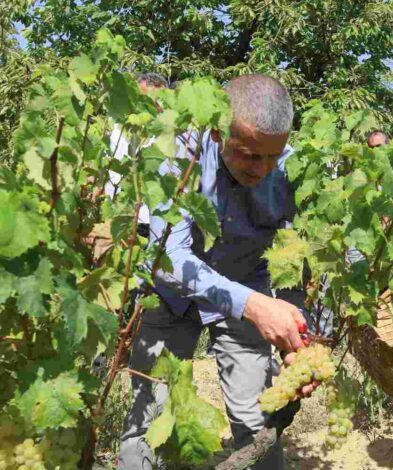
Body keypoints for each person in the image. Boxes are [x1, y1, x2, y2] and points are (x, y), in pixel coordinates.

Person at [118, 74, 313, 470]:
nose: (262, 168)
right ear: (217, 131)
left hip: (246, 289)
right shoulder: (173, 153)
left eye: (272, 156)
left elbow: (296, 257)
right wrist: (254, 306)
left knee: (257, 419)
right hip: (170, 297)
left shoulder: (291, 168)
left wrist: (296, 328)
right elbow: (169, 254)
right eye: (248, 155)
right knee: (147, 423)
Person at [104, 72, 169, 237]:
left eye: (157, 101)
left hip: (161, 226)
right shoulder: (119, 132)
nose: (152, 106)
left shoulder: (174, 136)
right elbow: (114, 178)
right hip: (125, 222)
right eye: (145, 100)